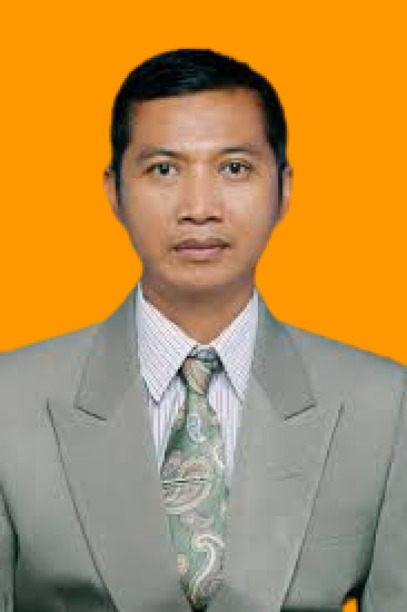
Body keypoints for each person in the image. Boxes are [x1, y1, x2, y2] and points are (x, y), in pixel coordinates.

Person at [0, 48, 406, 612]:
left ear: (284, 188)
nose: (199, 208)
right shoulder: (9, 400)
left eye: (234, 168)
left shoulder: (384, 405)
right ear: (114, 191)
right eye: (164, 169)